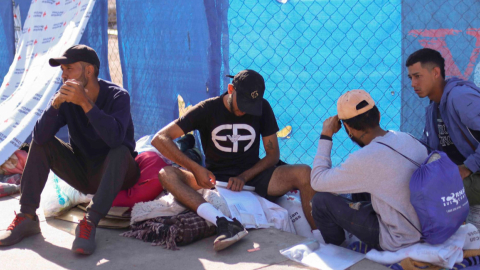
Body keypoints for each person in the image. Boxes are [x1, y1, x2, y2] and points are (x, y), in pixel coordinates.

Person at [152, 69, 315, 251]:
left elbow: (273, 155)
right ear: (231, 89)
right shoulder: (208, 109)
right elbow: (160, 138)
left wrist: (244, 177)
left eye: (251, 105)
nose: (245, 111)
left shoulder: (263, 107)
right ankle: (222, 222)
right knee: (166, 174)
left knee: (304, 172)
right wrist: (196, 169)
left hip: (254, 177)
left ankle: (321, 239)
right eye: (243, 104)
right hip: (215, 180)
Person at [0, 45, 139, 255]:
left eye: (69, 69)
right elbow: (39, 138)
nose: (63, 75)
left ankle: (89, 222)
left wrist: (85, 103)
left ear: (88, 71)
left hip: (118, 171)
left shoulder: (118, 96)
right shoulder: (64, 97)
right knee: (43, 140)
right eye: (62, 70)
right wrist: (54, 105)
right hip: (84, 173)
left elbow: (115, 139)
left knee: (119, 150)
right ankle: (27, 217)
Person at [310, 89, 427, 251]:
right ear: (378, 115)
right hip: (427, 227)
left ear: (348, 129)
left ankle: (340, 255)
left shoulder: (365, 159)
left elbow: (316, 181)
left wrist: (326, 134)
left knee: (320, 201)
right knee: (357, 189)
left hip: (400, 239)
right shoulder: (406, 138)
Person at [406, 48, 480, 205]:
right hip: (470, 173)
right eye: (410, 78)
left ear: (435, 72)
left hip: (474, 171)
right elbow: (430, 150)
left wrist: (467, 168)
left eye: (417, 76)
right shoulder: (434, 107)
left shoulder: (460, 97)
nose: (413, 84)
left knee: (433, 195)